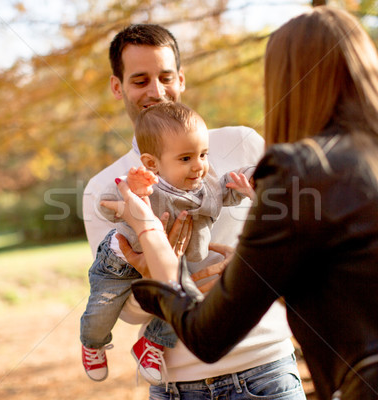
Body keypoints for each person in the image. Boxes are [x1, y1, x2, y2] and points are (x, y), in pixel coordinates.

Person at [103, 7, 378, 400]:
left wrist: (150, 248)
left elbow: (208, 336)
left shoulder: (300, 167)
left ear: (286, 81)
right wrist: (261, 270)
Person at [82, 23, 306, 399]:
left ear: (181, 79)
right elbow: (125, 309)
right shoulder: (103, 188)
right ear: (117, 87)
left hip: (265, 368)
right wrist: (153, 272)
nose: (156, 91)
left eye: (166, 77)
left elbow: (301, 239)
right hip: (176, 385)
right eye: (140, 80)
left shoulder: (243, 144)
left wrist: (249, 267)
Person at [80, 102, 255, 385]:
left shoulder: (205, 185)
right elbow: (105, 204)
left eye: (203, 154)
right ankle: (92, 343)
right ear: (152, 163)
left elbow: (227, 188)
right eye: (185, 158)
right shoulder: (146, 183)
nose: (198, 165)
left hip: (170, 262)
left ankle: (150, 346)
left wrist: (248, 179)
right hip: (118, 263)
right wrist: (132, 193)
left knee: (185, 303)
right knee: (102, 312)